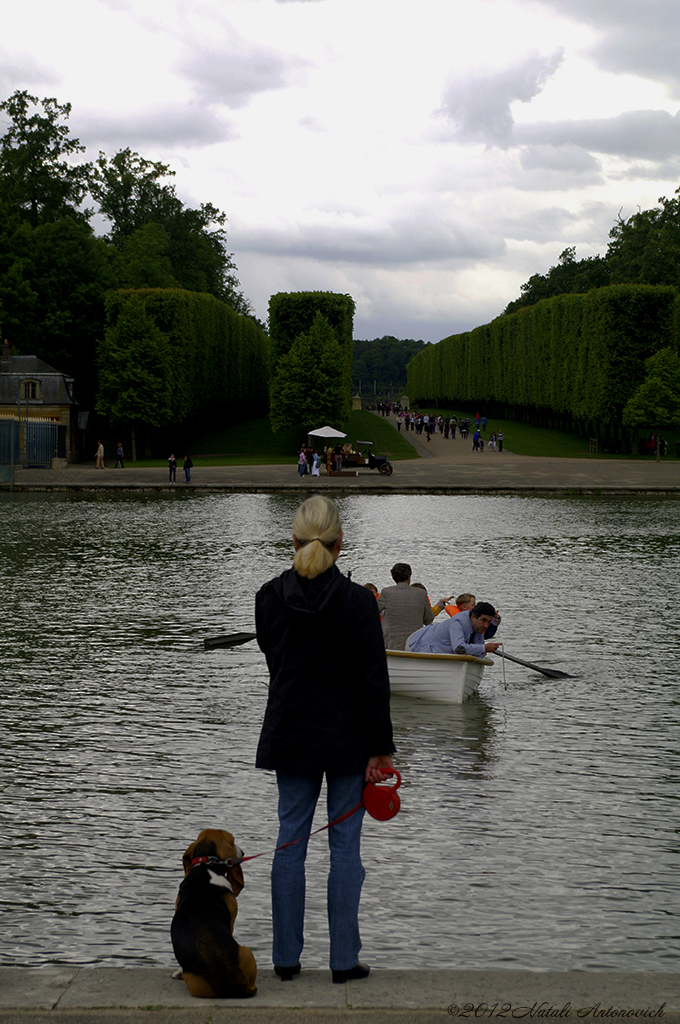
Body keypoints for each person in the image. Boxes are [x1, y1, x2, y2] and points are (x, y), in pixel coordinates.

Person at [255, 496, 395, 984]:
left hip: (291, 734)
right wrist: (381, 746)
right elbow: (374, 680)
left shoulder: (268, 596)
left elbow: (276, 662)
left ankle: (285, 960)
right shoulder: (359, 602)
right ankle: (342, 961)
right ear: (340, 545)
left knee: (289, 841)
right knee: (345, 848)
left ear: (293, 542)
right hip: (347, 738)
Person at [408, 602, 501, 656]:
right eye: (483, 620)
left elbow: (479, 653)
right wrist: (484, 648)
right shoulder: (458, 623)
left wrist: (483, 649)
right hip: (416, 644)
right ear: (473, 617)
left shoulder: (478, 627)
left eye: (488, 622)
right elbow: (459, 649)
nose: (485, 625)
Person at [377, 562, 434, 650]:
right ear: (409, 576)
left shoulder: (386, 592)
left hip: (391, 642)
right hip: (415, 642)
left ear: (393, 577)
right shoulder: (421, 593)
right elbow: (428, 619)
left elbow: (372, 611)